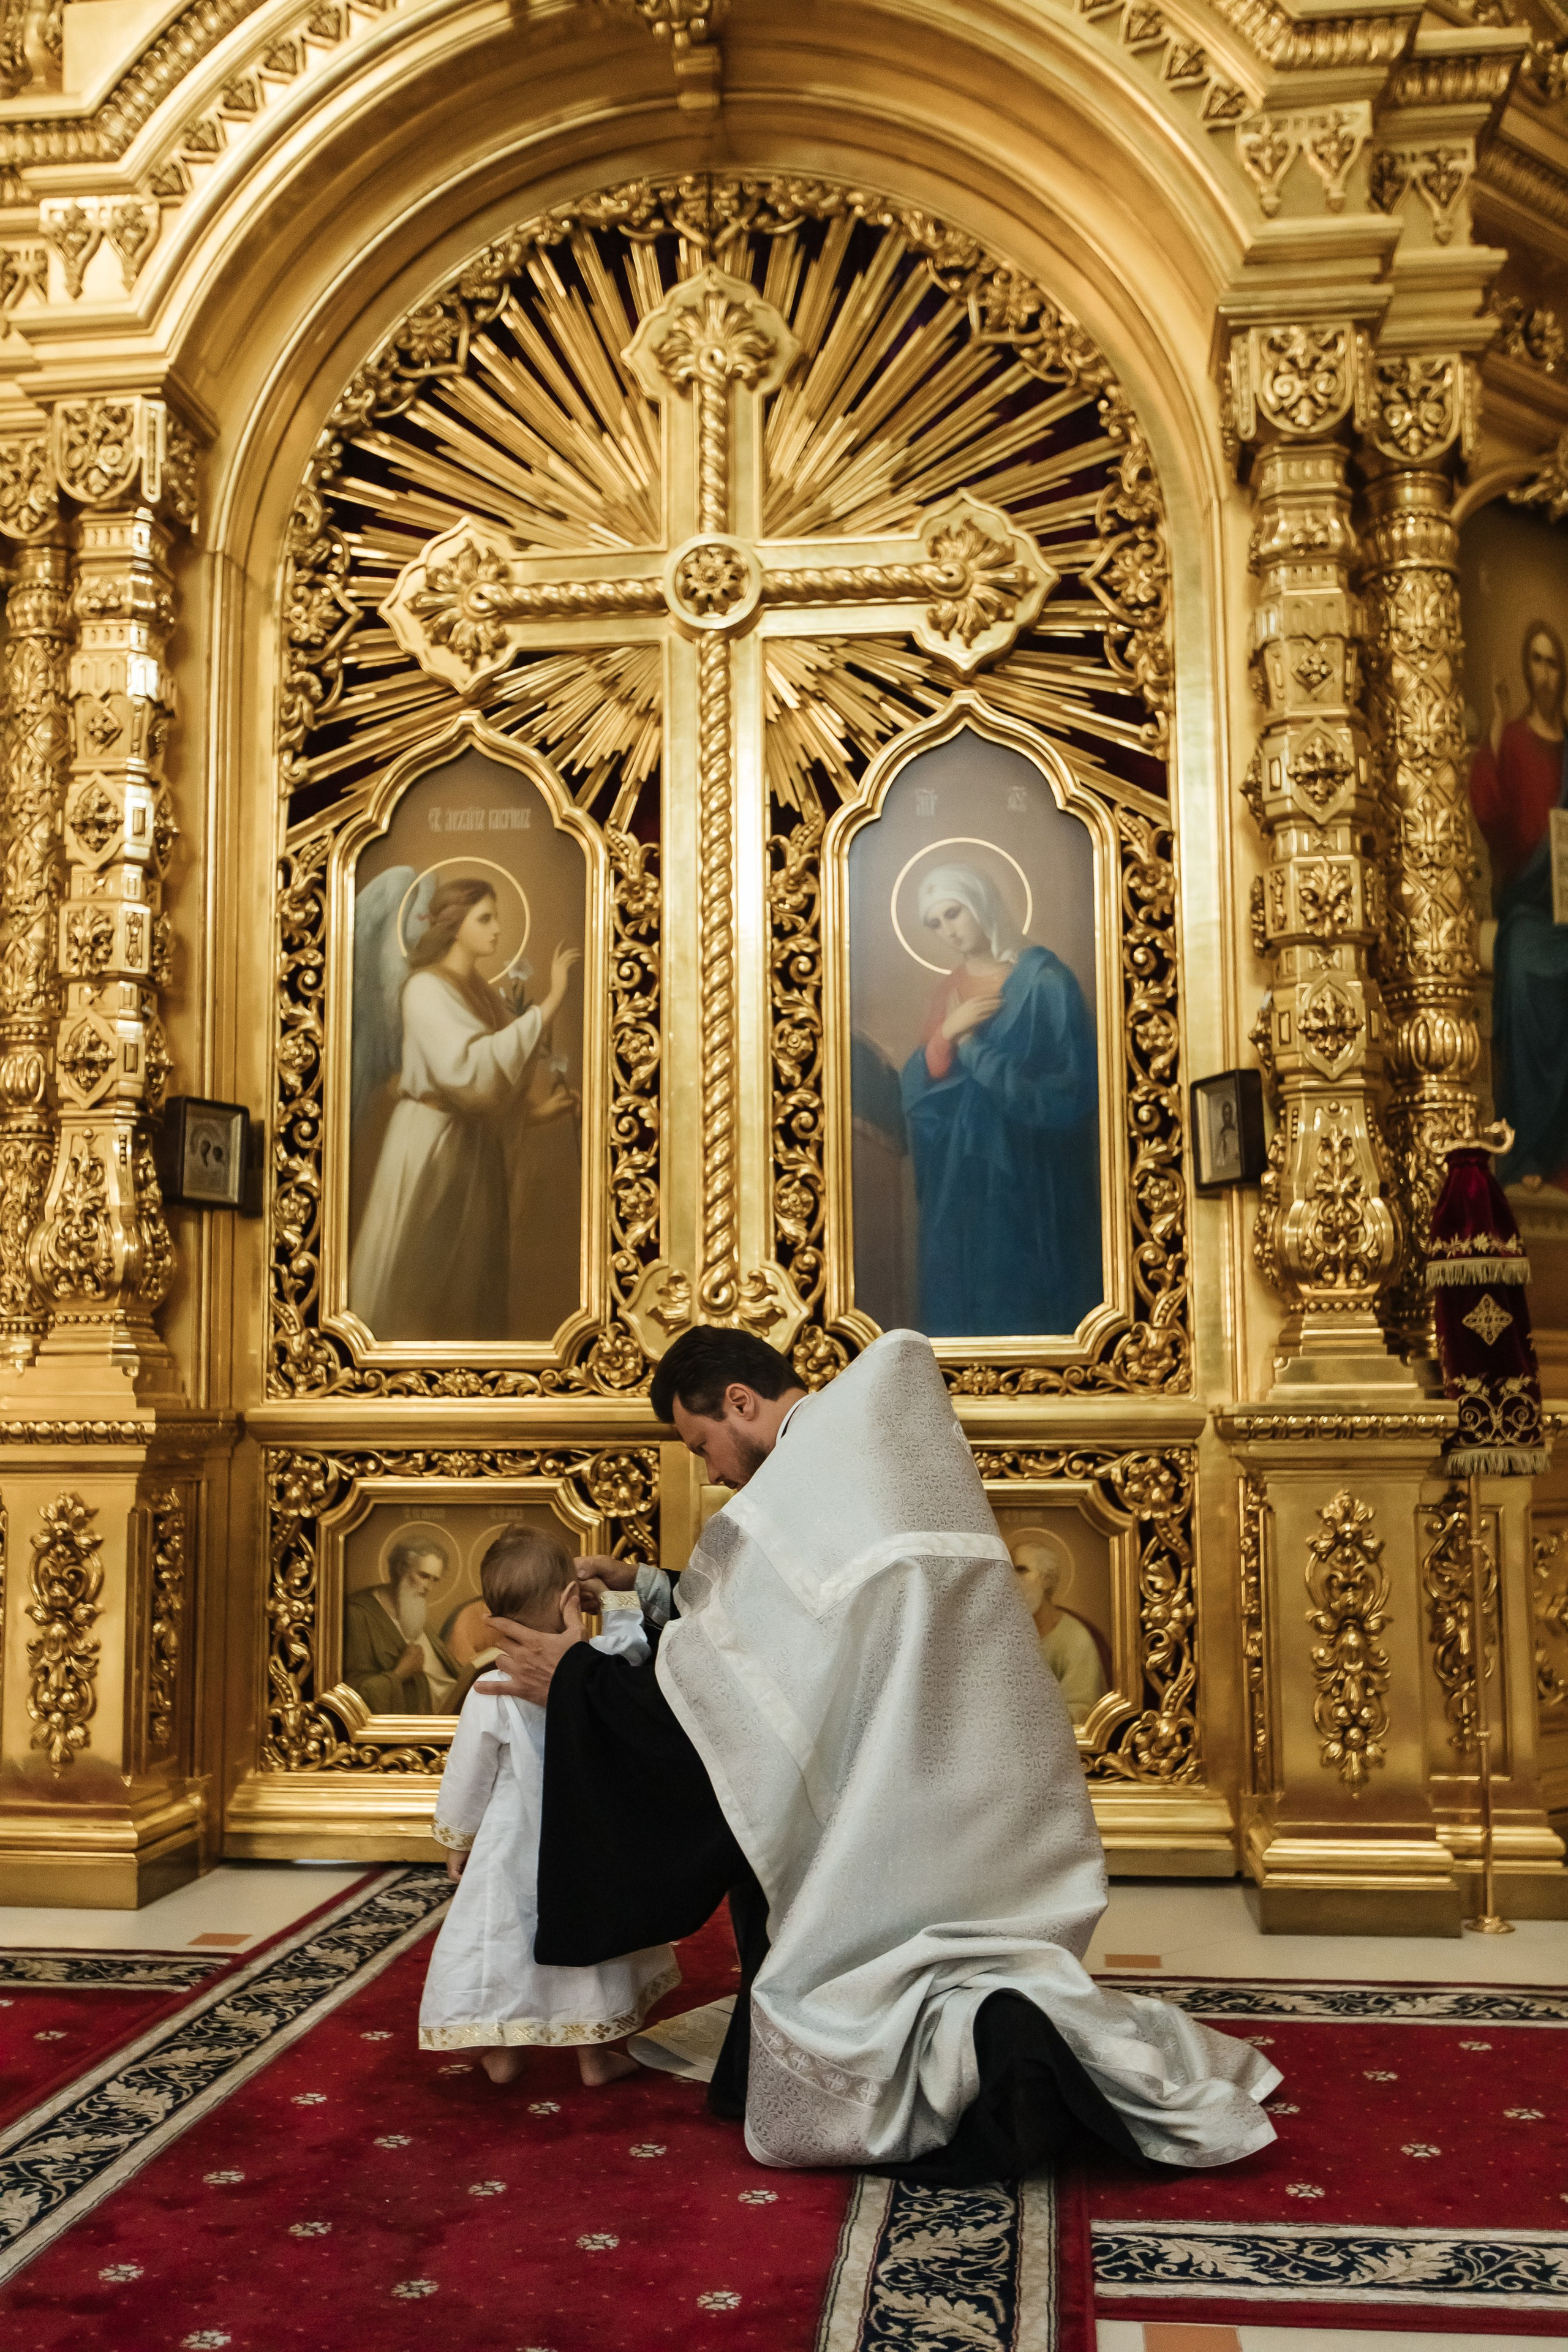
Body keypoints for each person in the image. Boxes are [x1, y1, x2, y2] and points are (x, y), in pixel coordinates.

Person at [478, 1324, 1278, 2180]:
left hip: (899, 1794)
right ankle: (1002, 2033)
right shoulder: (853, 1454)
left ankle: (988, 2061)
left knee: (865, 1978)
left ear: (740, 1403)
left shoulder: (807, 1481)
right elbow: (782, 1629)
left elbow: (755, 1665)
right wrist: (650, 1585)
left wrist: (582, 1685)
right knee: (966, 1955)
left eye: (701, 1442)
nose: (708, 1469)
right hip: (969, 1784)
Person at [420, 1523, 677, 2086]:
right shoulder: (605, 1662)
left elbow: (470, 1774)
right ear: (568, 1598)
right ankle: (595, 2056)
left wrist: (458, 1839)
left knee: (507, 1942)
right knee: (590, 1939)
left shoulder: (490, 1686)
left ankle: (506, 2051)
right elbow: (633, 1633)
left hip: (513, 1841)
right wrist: (614, 1596)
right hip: (589, 1834)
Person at [348, 878, 581, 1340]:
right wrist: (552, 1000)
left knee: (469, 1283)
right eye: (485, 919)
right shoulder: (425, 989)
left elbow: (492, 1086)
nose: (497, 930)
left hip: (473, 1150)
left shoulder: (479, 991)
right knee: (419, 1273)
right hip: (431, 1145)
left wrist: (535, 1113)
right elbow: (470, 1070)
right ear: (455, 927)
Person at [899, 864, 1101, 1336]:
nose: (948, 931)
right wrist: (948, 1033)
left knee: (1020, 1280)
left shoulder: (1045, 981)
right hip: (960, 1175)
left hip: (1029, 1169)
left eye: (954, 914)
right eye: (936, 923)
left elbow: (1071, 1090)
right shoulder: (947, 992)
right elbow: (918, 1092)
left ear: (982, 904)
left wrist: (973, 1049)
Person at [1468, 617, 1568, 1190]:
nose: (1544, 673)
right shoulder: (1519, 742)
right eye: (1536, 660)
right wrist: (1499, 731)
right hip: (1530, 911)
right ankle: (1529, 1151)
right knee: (1528, 972)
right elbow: (1493, 815)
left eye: (1553, 661)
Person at [344, 1537, 461, 1713]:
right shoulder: (358, 1614)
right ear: (401, 1569)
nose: (428, 1587)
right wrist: (399, 1673)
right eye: (423, 1576)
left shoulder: (413, 1612)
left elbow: (443, 1675)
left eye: (434, 1580)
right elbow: (351, 1693)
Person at [1009, 1526, 1108, 1725]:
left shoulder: (1076, 1639)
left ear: (1047, 1580)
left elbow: (1084, 1709)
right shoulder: (1004, 1634)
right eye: (1009, 1571)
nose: (1012, 1580)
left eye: (1021, 1570)